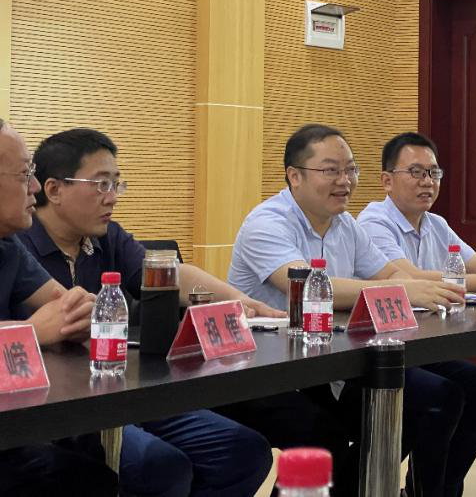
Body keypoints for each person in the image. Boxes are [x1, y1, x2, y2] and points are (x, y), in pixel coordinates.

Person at [228, 123, 476, 497]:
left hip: (334, 361)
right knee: (325, 432)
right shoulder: (267, 222)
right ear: (294, 176)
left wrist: (413, 287)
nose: (345, 181)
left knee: (435, 399)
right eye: (331, 170)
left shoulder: (346, 224)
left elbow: (391, 274)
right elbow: (307, 287)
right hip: (268, 370)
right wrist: (403, 288)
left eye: (350, 170)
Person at [18, 128, 275, 497]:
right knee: (160, 466)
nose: (112, 197)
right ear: (54, 189)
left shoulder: (107, 236)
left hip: (124, 390)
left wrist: (242, 302)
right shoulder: (18, 243)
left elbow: (167, 272)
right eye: (101, 184)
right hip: (61, 407)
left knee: (243, 452)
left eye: (116, 184)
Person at [0, 119, 118, 496]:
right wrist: (32, 332)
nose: (35, 187)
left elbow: (69, 306)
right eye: (24, 174)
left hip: (17, 421)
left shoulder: (8, 245)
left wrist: (81, 313)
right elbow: (47, 323)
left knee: (89, 464)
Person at [357, 131, 476, 292]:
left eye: (434, 172)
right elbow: (407, 279)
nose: (428, 181)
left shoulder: (437, 224)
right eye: (416, 172)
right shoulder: (373, 222)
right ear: (387, 181)